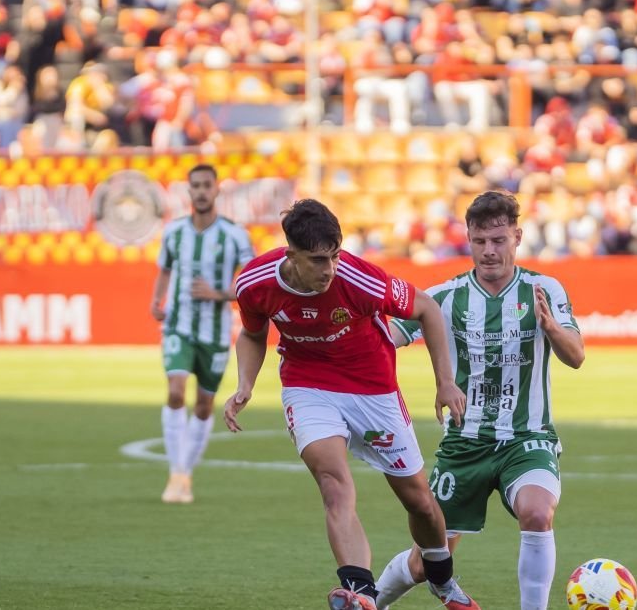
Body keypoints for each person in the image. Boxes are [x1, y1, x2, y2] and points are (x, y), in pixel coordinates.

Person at [222, 199, 480, 610]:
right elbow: (252, 334)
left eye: (334, 256)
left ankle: (442, 579)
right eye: (317, 260)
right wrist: (245, 384)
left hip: (373, 389)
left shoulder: (360, 280)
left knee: (419, 500)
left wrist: (445, 383)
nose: (329, 269)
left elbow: (427, 309)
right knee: (334, 483)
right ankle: (361, 592)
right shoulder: (254, 282)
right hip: (308, 386)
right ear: (291, 255)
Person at [374, 191, 586, 610]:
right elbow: (386, 339)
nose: (489, 251)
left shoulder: (544, 288)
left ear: (517, 237)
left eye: (499, 240)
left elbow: (576, 356)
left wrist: (551, 328)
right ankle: (370, 601)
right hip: (464, 445)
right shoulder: (444, 296)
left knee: (538, 513)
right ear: (468, 239)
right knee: (425, 564)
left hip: (527, 437)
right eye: (480, 241)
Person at [149, 164, 254, 504]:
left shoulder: (235, 235)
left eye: (207, 185)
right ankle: (177, 474)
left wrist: (218, 293)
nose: (201, 191)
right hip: (178, 325)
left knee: (204, 405)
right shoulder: (174, 232)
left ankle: (184, 474)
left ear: (217, 190)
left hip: (215, 331)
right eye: (195, 186)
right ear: (188, 191)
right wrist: (156, 300)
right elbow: (165, 268)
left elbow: (250, 285)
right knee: (176, 392)